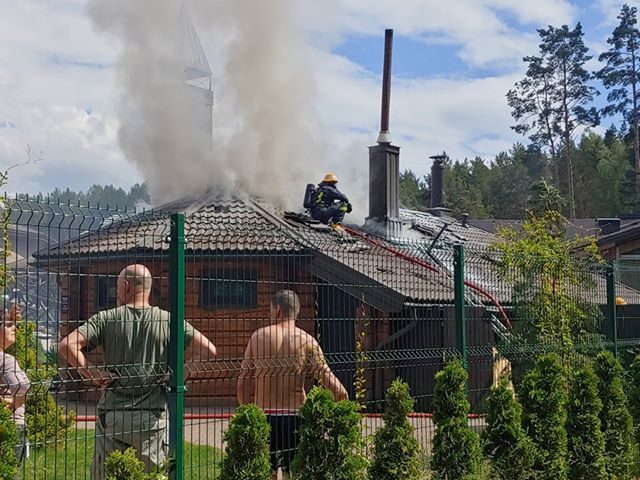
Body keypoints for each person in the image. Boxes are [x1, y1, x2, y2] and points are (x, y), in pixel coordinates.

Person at [58, 264, 217, 480]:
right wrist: (182, 372)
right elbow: (209, 350)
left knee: (108, 475)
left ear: (126, 286)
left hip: (113, 415)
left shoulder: (106, 318)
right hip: (152, 417)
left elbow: (67, 345)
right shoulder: (169, 320)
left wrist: (91, 372)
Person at [237, 289, 348, 479]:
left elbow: (243, 380)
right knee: (293, 472)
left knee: (267, 471)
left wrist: (248, 413)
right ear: (295, 312)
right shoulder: (306, 341)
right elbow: (332, 383)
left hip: (265, 416)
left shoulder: (258, 337)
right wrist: (341, 404)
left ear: (277, 309)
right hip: (295, 417)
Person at [0, 304, 30, 477]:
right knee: (10, 473)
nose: (15, 329)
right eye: (9, 325)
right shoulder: (7, 360)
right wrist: (11, 404)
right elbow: (22, 388)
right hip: (11, 424)